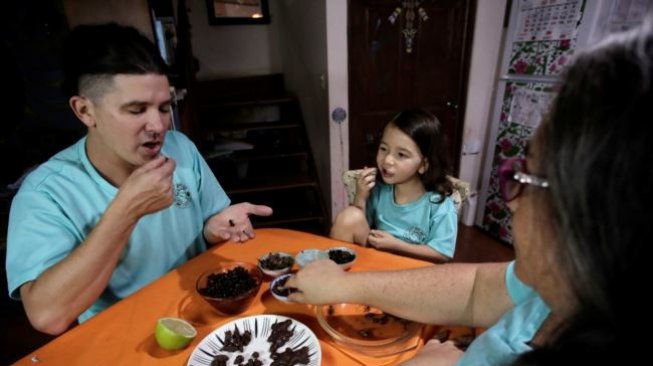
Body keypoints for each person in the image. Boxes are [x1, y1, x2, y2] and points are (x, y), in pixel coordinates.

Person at [286, 18, 652, 365]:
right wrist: (347, 286)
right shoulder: (554, 286)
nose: (512, 202)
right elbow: (476, 287)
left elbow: (442, 258)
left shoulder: (439, 204)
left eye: (528, 178)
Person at [5, 23, 272, 335]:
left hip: (203, 315)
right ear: (84, 111)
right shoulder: (45, 193)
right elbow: (47, 315)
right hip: (126, 334)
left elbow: (210, 224)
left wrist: (214, 228)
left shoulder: (180, 148)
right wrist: (126, 210)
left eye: (163, 107)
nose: (157, 125)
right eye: (136, 110)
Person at [330, 109, 458, 262]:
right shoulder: (379, 189)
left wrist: (396, 245)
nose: (387, 160)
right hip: (376, 261)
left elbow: (442, 254)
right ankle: (335, 277)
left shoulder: (439, 204)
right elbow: (359, 227)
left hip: (413, 274)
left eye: (401, 155)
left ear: (423, 164)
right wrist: (360, 197)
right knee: (349, 216)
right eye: (384, 149)